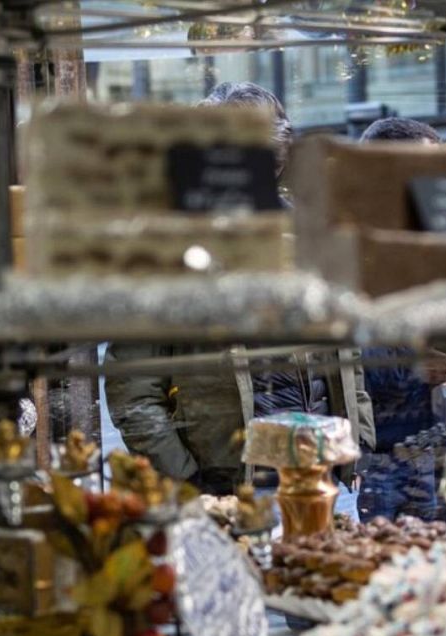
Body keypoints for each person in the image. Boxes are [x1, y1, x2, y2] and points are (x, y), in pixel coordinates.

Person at [104, 83, 375, 494]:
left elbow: (344, 351)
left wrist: (360, 441)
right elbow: (133, 386)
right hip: (226, 479)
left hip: (320, 468)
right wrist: (186, 477)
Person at [355, 117, 446, 523]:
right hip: (386, 453)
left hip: (443, 443)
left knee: (444, 574)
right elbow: (346, 361)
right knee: (390, 572)